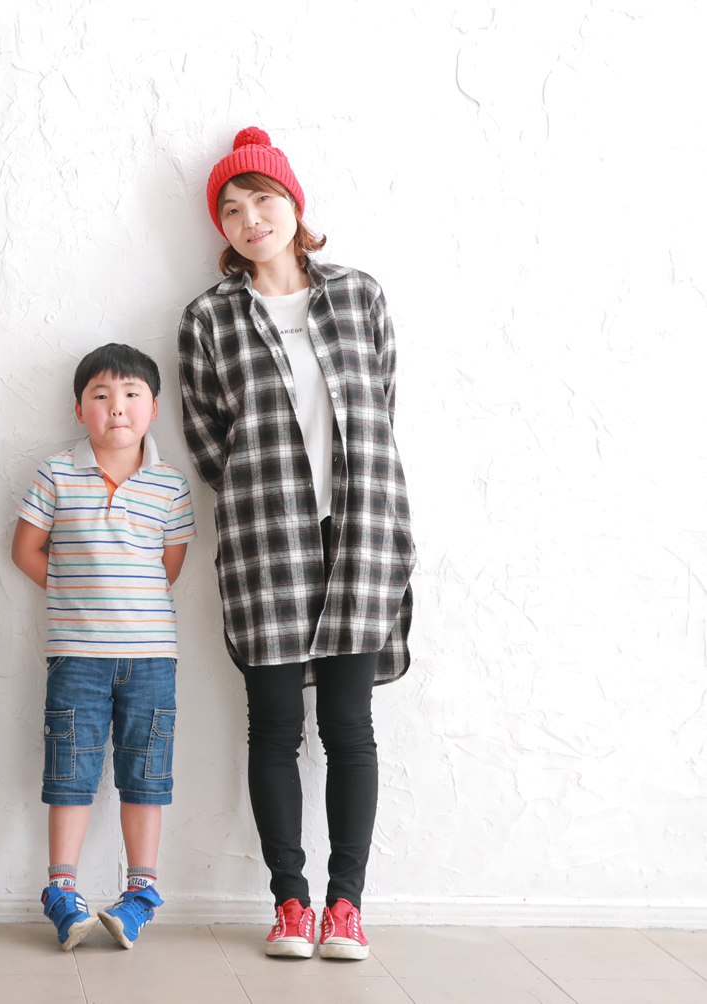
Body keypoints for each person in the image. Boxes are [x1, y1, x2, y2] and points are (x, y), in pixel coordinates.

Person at [178, 127, 415, 961]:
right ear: (221, 227)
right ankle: (289, 903)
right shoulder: (208, 317)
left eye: (263, 200)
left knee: (348, 725)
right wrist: (264, 490)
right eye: (231, 210)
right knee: (273, 725)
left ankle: (345, 906)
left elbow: (380, 402)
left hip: (360, 531)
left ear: (293, 205)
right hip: (263, 536)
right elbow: (206, 437)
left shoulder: (358, 295)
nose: (250, 220)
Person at [11, 343, 195, 951]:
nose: (117, 407)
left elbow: (168, 567)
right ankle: (61, 891)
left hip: (152, 659)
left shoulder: (170, 485)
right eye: (101, 395)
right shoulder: (56, 473)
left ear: (154, 408)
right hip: (75, 657)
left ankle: (140, 894)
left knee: (146, 776)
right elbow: (25, 551)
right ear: (79, 408)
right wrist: (78, 593)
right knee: (70, 773)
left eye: (131, 395)